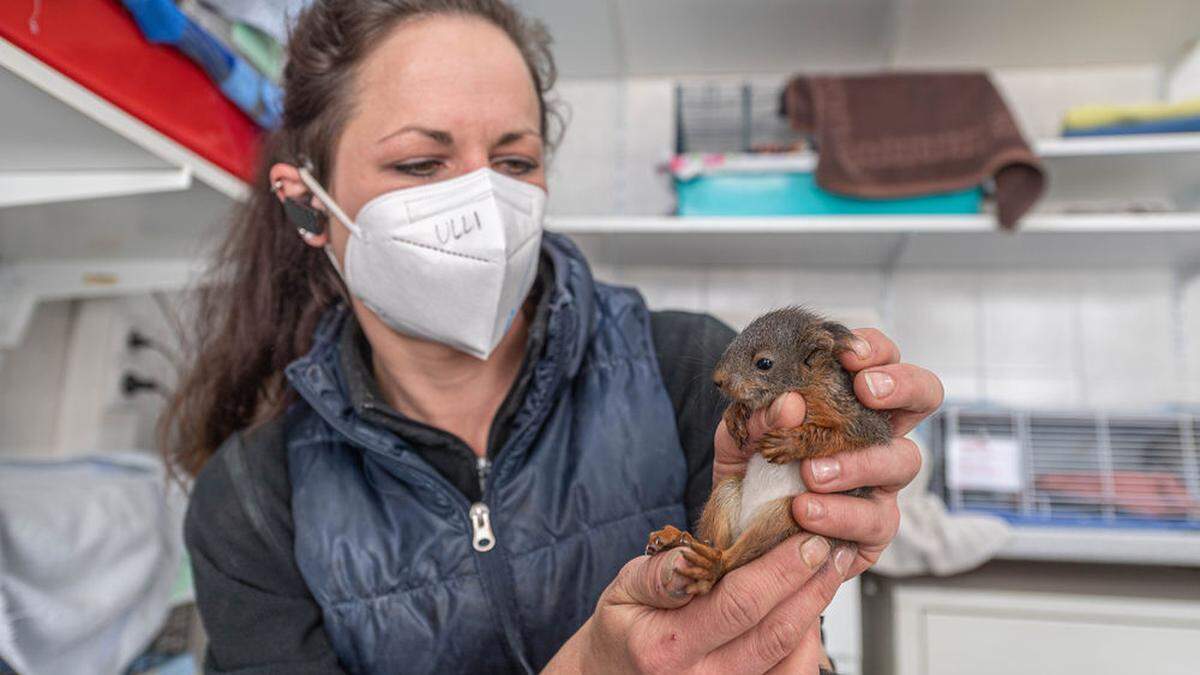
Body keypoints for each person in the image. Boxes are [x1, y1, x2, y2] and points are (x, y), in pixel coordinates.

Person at [164, 1, 942, 673]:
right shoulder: (251, 506)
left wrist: (821, 554)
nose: (481, 200)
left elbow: (785, 639)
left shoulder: (691, 372)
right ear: (307, 207)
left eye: (514, 160)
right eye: (419, 162)